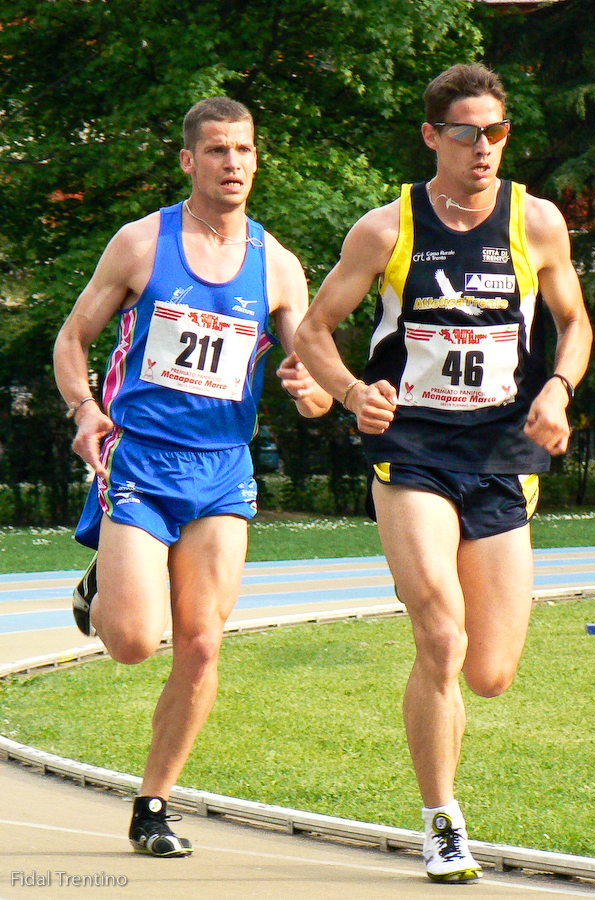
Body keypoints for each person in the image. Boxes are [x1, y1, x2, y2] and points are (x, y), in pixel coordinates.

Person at [295, 63, 592, 883]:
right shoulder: (385, 230)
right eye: (465, 133)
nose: (483, 148)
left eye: (495, 132)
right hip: (414, 452)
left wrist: (559, 390)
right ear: (432, 137)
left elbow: (574, 323)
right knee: (439, 633)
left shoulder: (536, 224)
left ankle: (447, 737)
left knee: (489, 672)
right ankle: (442, 820)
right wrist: (354, 392)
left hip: (501, 455)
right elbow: (314, 331)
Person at [53, 96, 332, 857]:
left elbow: (307, 371)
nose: (232, 163)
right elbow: (72, 339)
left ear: (256, 159)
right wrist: (83, 410)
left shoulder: (277, 264)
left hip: (223, 469)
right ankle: (102, 588)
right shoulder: (142, 244)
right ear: (189, 161)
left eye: (243, 150)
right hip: (138, 457)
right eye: (216, 151)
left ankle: (154, 805)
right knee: (137, 642)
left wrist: (310, 391)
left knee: (202, 645)